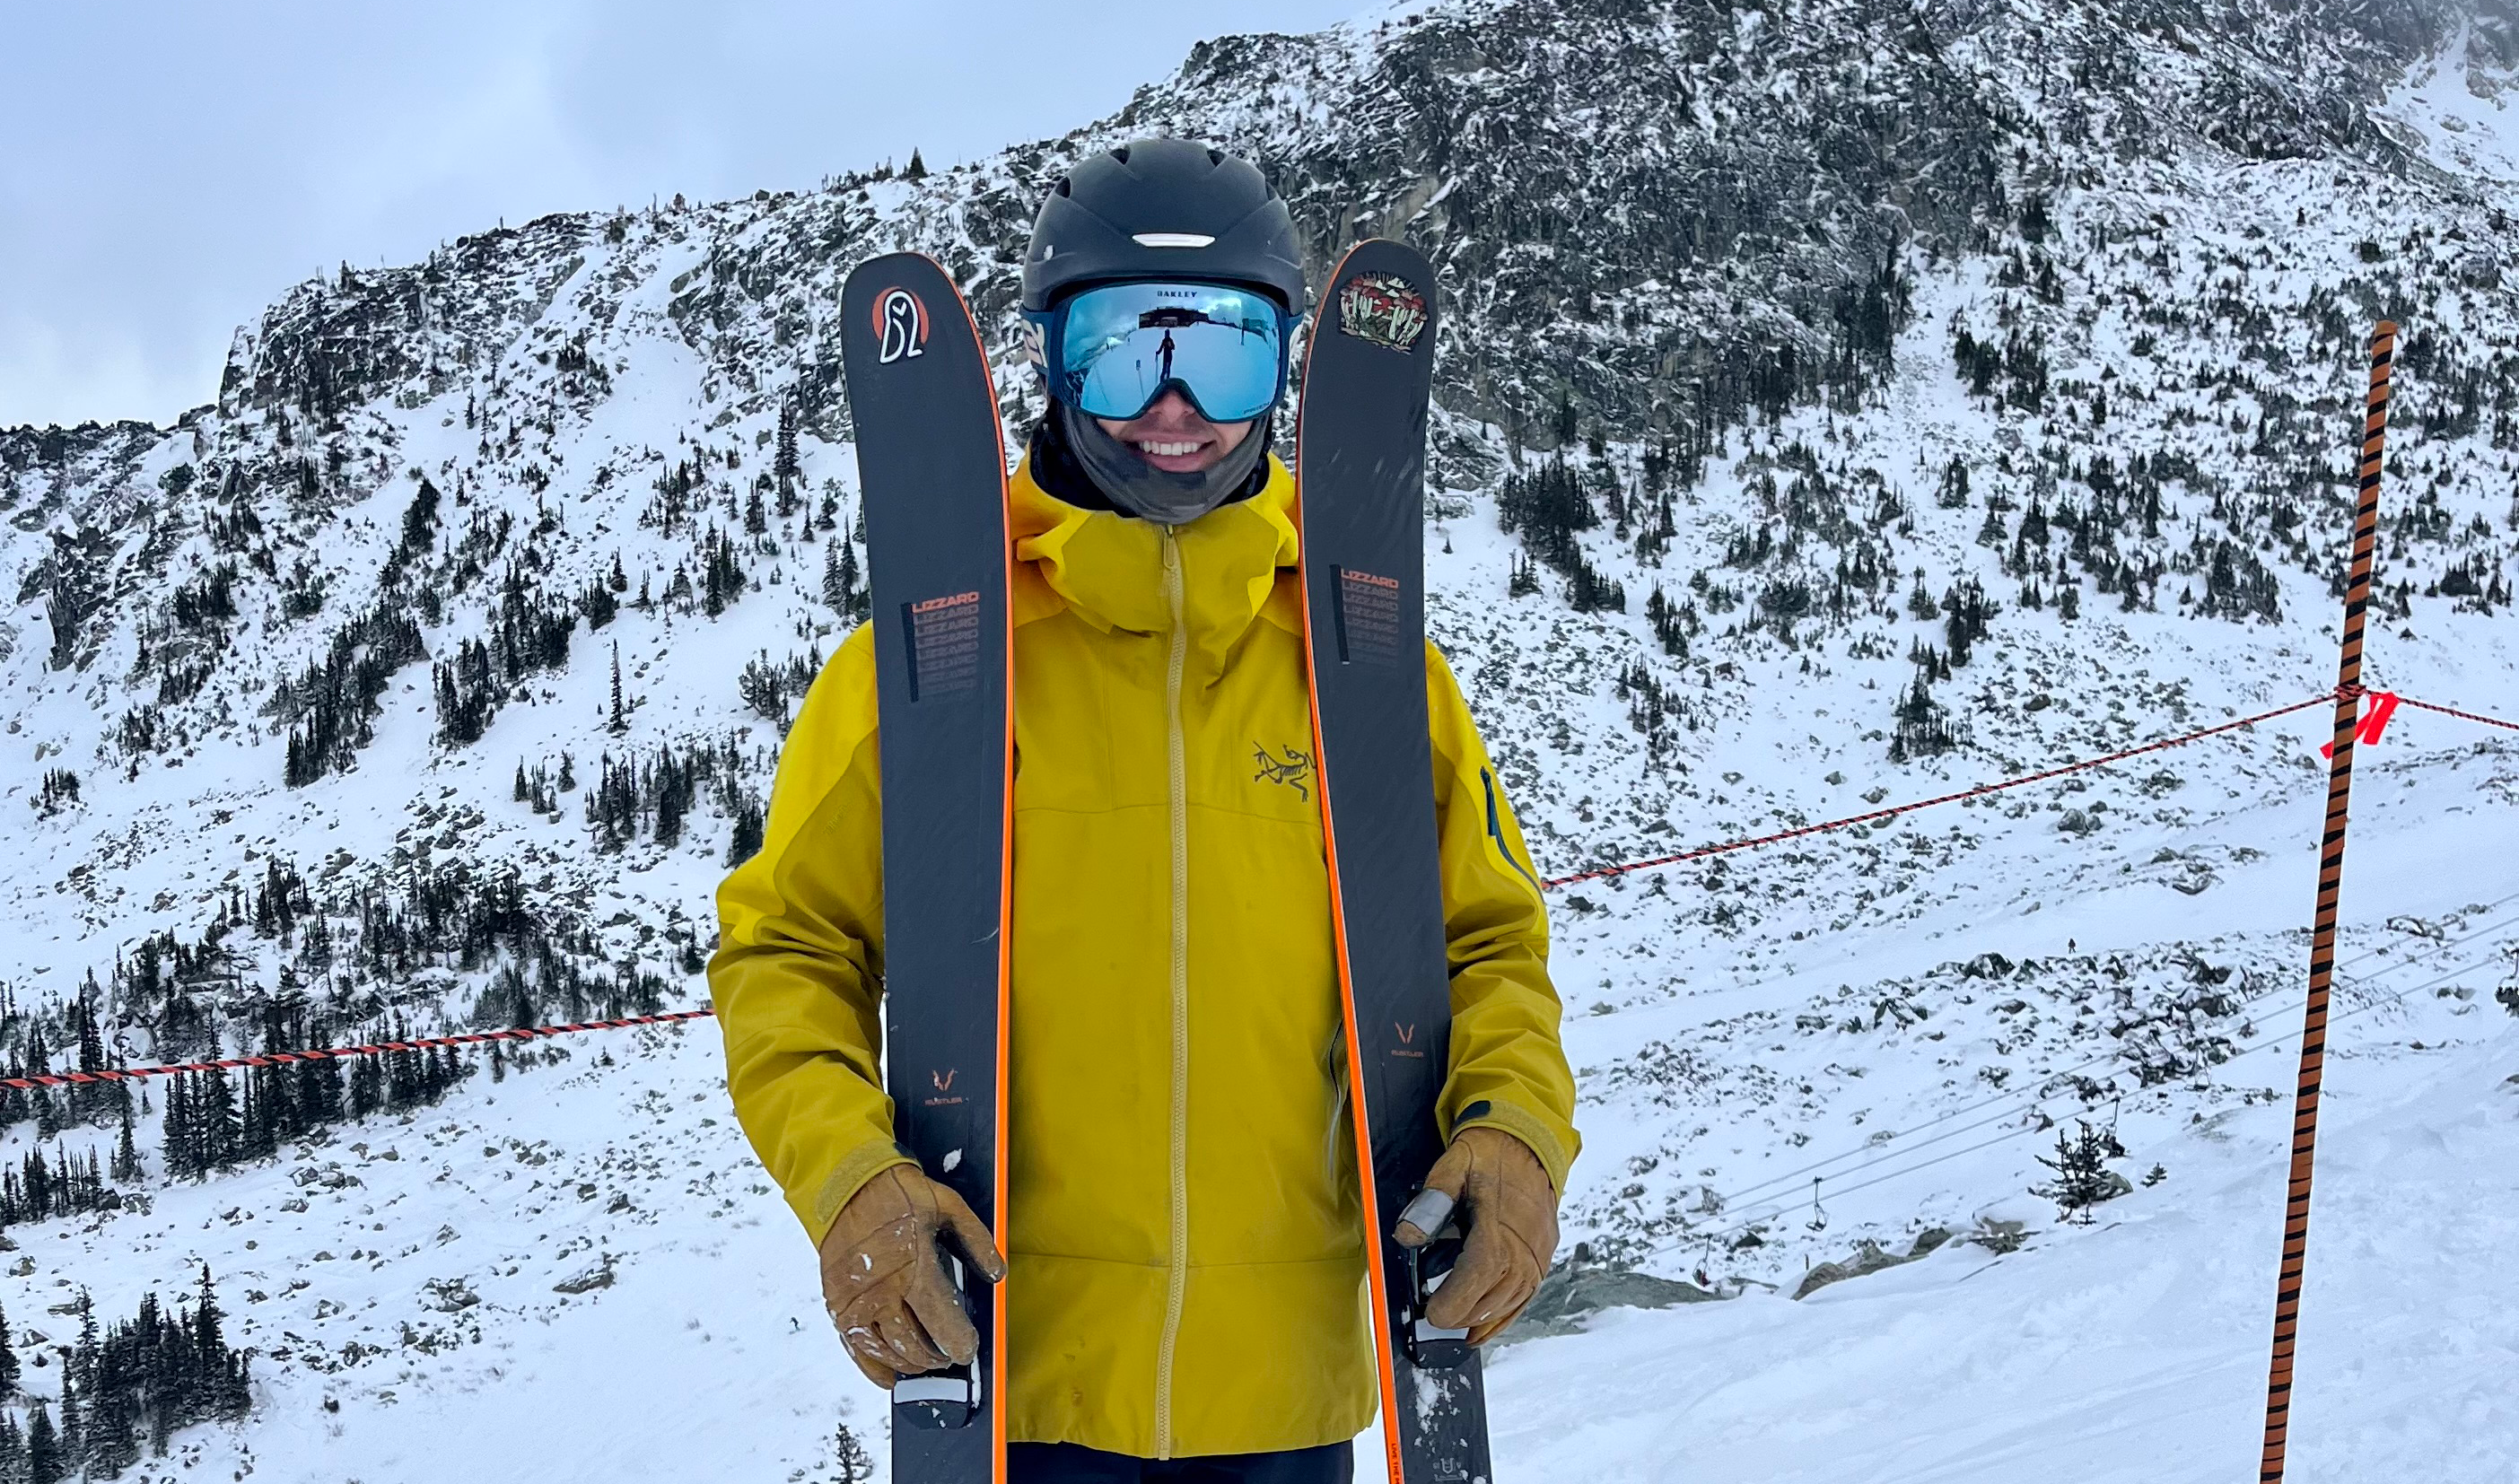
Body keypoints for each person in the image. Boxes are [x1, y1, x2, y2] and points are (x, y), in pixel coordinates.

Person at [713, 137, 1578, 1484]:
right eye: (1123, 348)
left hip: (1288, 1404)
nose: (1172, 406)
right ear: (1051, 362)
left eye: (1222, 351)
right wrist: (848, 1181)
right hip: (1019, 1389)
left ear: (1284, 370)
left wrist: (1516, 1129)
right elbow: (785, 954)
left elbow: (1487, 946)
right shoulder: (930, 666)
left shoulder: (1366, 671)